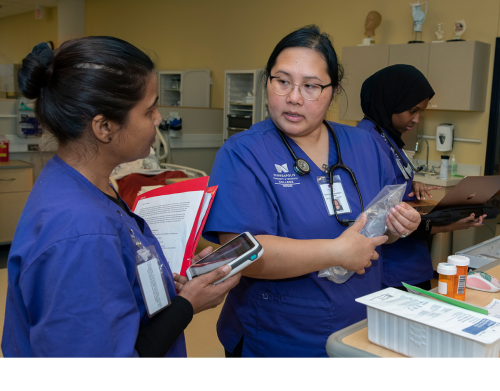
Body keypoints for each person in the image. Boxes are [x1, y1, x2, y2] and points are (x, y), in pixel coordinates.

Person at [1, 38, 240, 357]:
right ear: (104, 126)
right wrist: (187, 305)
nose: (158, 119)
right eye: (149, 109)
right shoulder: (81, 232)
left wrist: (168, 288)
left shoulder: (82, 184)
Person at [202, 25, 421, 357]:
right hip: (280, 338)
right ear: (267, 83)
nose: (293, 97)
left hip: (360, 329)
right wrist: (335, 252)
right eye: (282, 81)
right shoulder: (242, 154)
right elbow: (241, 253)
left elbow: (375, 230)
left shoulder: (365, 146)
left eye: (311, 86)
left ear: (332, 91)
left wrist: (395, 226)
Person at [358, 64, 486, 290]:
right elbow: (381, 220)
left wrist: (411, 182)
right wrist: (451, 224)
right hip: (390, 268)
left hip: (408, 260)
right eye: (413, 110)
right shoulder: (366, 141)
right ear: (391, 101)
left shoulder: (386, 136)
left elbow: (393, 185)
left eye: (420, 112)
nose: (416, 119)